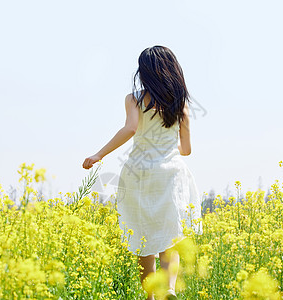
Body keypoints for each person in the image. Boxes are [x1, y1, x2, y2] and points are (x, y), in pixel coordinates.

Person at [82, 45, 202, 300]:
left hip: (139, 174)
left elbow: (130, 128)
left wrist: (99, 154)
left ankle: (150, 296)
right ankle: (169, 288)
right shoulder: (181, 106)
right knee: (171, 236)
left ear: (143, 72)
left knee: (142, 238)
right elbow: (187, 150)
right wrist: (166, 148)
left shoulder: (134, 98)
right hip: (170, 173)